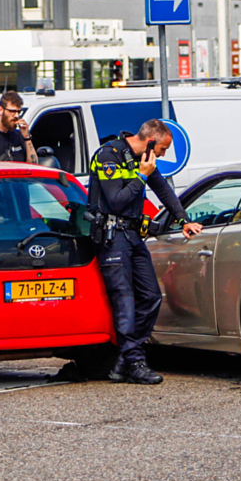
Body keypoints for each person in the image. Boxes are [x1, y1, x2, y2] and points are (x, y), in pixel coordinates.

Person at [87, 119, 203, 385]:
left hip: (132, 236)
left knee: (151, 296)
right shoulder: (109, 156)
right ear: (151, 140)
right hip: (111, 237)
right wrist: (141, 175)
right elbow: (116, 200)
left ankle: (123, 360)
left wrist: (183, 219)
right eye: (163, 148)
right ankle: (136, 362)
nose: (163, 154)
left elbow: (163, 189)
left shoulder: (144, 159)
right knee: (124, 300)